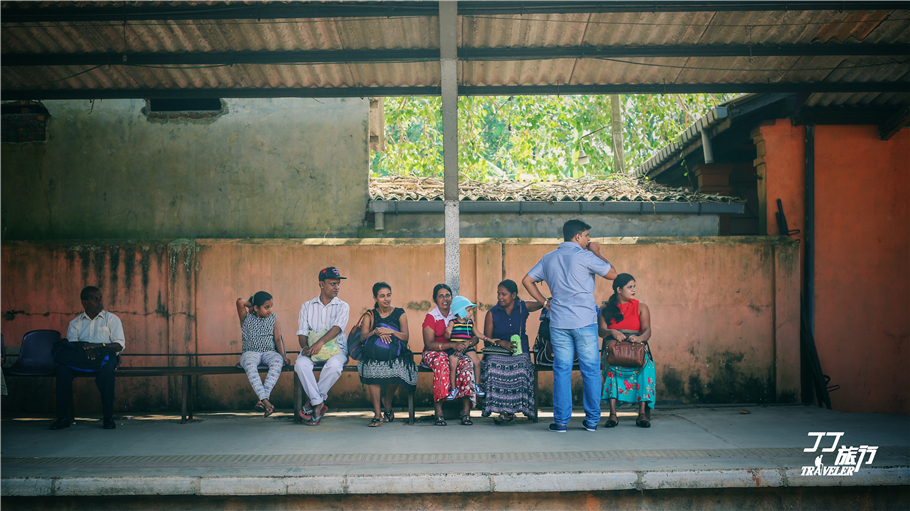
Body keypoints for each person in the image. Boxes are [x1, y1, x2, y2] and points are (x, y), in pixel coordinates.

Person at [522, 219, 618, 433]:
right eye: (586, 236)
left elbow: (527, 280)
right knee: (591, 371)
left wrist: (545, 302)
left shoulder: (549, 258)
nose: (588, 240)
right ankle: (592, 421)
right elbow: (613, 274)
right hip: (584, 322)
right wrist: (597, 252)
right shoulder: (586, 256)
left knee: (562, 371)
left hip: (559, 323)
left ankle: (561, 422)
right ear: (578, 237)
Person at [50, 286, 125, 430]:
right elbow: (72, 345)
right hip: (81, 358)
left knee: (107, 374)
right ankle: (63, 418)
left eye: (100, 298)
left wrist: (97, 346)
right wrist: (86, 348)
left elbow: (119, 345)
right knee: (62, 370)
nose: (100, 301)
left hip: (105, 357)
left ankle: (108, 417)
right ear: (85, 303)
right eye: (95, 299)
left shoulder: (111, 319)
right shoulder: (75, 323)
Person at [481, 279, 543, 423]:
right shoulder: (492, 313)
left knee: (521, 366)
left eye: (504, 294)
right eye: (498, 294)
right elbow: (486, 339)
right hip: (497, 352)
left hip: (519, 352)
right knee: (493, 366)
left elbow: (542, 303)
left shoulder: (522, 307)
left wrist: (549, 297)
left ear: (514, 295)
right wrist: (502, 343)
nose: (500, 297)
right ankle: (505, 411)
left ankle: (512, 410)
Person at [295, 267, 351, 426]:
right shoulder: (307, 306)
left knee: (333, 366)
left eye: (338, 284)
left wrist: (320, 343)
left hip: (337, 350)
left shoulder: (343, 306)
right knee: (300, 364)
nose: (337, 287)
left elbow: (337, 328)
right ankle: (318, 403)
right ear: (321, 284)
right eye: (332, 284)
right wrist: (305, 347)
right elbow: (302, 332)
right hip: (312, 350)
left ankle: (311, 403)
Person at [599, 273, 655, 428]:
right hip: (614, 351)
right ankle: (612, 415)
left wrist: (639, 338)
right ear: (619, 289)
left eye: (634, 286)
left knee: (646, 367)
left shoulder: (641, 306)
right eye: (629, 287)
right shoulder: (605, 308)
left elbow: (647, 331)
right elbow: (601, 331)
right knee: (611, 368)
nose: (633, 290)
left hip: (635, 349)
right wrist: (612, 332)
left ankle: (642, 414)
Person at [357, 282, 417, 427]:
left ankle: (387, 401)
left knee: (397, 367)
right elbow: (362, 338)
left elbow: (406, 337)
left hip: (395, 354)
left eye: (388, 295)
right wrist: (375, 332)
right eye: (382, 296)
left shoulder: (400, 313)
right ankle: (377, 414)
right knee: (372, 368)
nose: (386, 299)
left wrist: (391, 331)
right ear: (375, 298)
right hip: (374, 354)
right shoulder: (370, 315)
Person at [421, 284, 477, 426]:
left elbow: (475, 336)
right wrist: (451, 345)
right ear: (435, 300)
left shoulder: (459, 313)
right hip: (435, 352)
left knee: (466, 364)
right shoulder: (431, 317)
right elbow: (429, 344)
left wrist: (467, 344)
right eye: (441, 296)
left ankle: (465, 411)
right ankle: (439, 411)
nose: (445, 299)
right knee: (442, 362)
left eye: (447, 295)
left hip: (456, 352)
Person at [235, 291, 290, 418]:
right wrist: (252, 304)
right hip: (250, 353)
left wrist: (283, 356)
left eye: (271, 306)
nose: (270, 310)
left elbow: (277, 339)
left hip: (269, 352)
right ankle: (265, 401)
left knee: (277, 362)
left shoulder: (273, 318)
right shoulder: (245, 318)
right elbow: (240, 301)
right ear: (256, 308)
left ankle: (262, 400)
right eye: (266, 307)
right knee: (249, 366)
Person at [444, 296, 484, 399]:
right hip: (455, 348)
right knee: (452, 364)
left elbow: (478, 334)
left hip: (467, 347)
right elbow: (447, 336)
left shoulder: (470, 323)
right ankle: (453, 388)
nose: (471, 313)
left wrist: (488, 339)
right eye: (469, 310)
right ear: (461, 311)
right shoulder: (453, 322)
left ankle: (477, 385)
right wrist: (448, 332)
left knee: (477, 362)